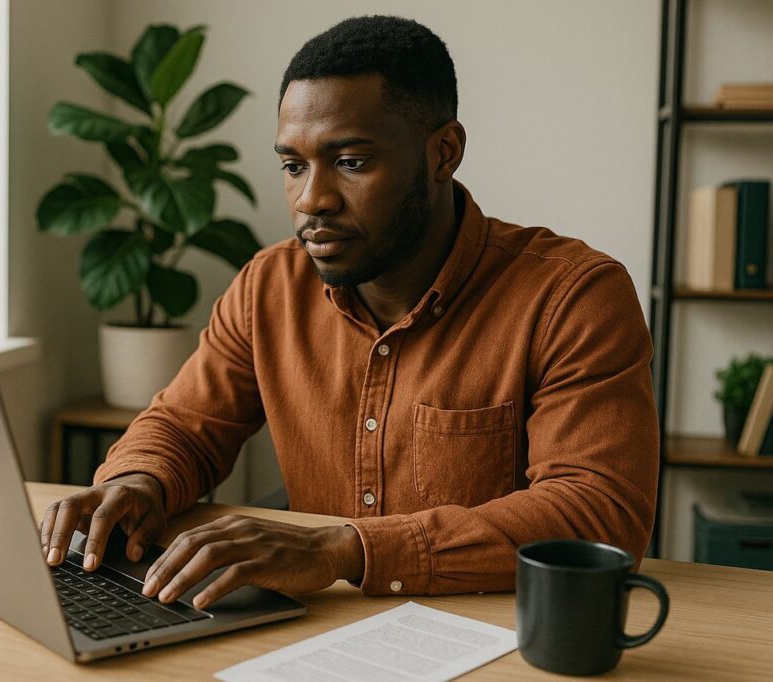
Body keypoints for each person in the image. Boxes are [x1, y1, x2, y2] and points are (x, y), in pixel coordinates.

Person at [39, 15, 659, 611]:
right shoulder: (270, 286)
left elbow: (597, 513)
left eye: (351, 162)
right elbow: (182, 425)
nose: (312, 200)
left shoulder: (573, 296)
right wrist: (134, 484)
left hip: (494, 634)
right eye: (293, 165)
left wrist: (345, 550)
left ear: (444, 152)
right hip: (319, 629)